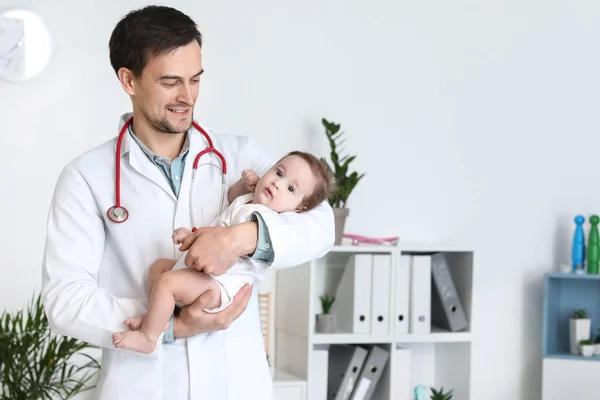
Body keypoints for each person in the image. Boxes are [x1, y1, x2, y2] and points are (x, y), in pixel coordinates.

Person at [40, 5, 334, 400]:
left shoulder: (239, 154)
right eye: (170, 81)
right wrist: (173, 326)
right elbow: (65, 299)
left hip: (237, 384)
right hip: (144, 384)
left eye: (195, 79)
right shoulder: (86, 177)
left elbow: (320, 224)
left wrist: (240, 238)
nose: (187, 96)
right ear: (129, 79)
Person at [111, 151, 335, 354]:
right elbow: (219, 226)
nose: (277, 183)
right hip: (203, 274)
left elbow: (227, 243)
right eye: (278, 172)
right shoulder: (246, 203)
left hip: (220, 287)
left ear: (299, 209)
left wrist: (208, 236)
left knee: (166, 283)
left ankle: (148, 337)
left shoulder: (267, 220)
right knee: (159, 267)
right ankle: (156, 318)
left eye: (290, 189)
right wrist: (192, 234)